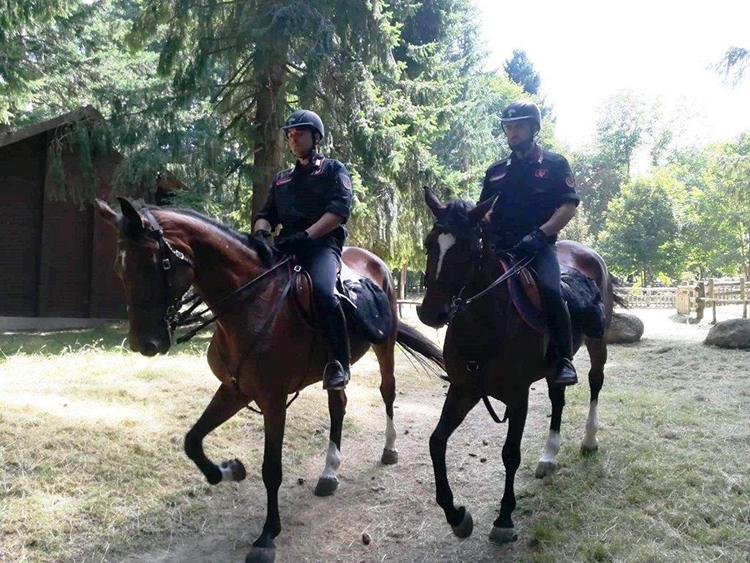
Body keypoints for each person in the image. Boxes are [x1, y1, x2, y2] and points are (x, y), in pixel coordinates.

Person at [478, 100, 580, 386]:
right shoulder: (495, 170)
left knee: (550, 290)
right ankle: (468, 357)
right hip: (499, 247)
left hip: (537, 247)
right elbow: (484, 207)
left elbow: (568, 206)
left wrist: (541, 234)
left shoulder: (555, 164)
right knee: (469, 288)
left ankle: (562, 360)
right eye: (508, 127)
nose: (512, 133)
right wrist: (483, 220)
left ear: (534, 128)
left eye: (518, 126)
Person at [253, 109, 353, 390]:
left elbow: (337, 212)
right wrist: (261, 232)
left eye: (299, 134)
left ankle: (339, 363)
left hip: (322, 246)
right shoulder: (281, 179)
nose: (293, 139)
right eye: (290, 135)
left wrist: (306, 237)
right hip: (286, 246)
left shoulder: (333, 170)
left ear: (316, 137)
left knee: (323, 292)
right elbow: (266, 213)